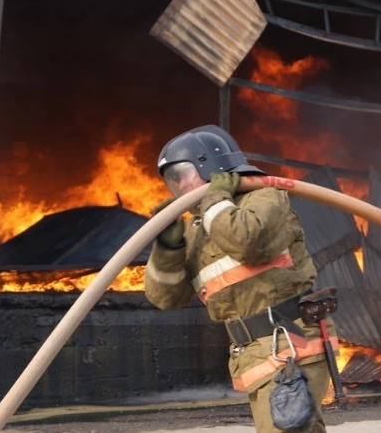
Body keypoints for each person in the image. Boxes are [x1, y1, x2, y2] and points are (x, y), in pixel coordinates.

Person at [144, 124, 337, 432]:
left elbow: (246, 241)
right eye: (172, 180)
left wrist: (215, 198)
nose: (178, 187)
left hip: (290, 343)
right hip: (251, 355)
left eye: (182, 174)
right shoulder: (197, 228)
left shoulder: (265, 198)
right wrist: (168, 245)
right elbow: (165, 297)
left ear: (212, 166)